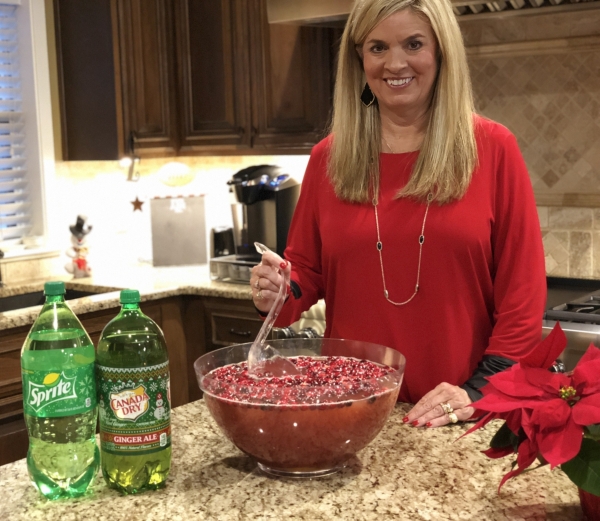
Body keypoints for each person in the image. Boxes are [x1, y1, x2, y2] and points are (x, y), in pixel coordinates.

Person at [249, 0, 546, 428]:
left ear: (441, 53)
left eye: (413, 43)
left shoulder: (493, 148)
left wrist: (479, 390)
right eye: (377, 47)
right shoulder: (328, 158)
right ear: (359, 59)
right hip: (353, 412)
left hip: (456, 415)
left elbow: (523, 298)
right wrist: (276, 290)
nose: (395, 62)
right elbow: (306, 275)